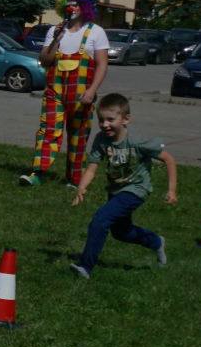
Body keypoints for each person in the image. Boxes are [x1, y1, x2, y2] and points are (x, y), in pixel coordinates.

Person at [70, 93, 176, 279]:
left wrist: (172, 190)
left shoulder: (136, 140)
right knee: (121, 232)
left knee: (100, 220)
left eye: (110, 119)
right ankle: (156, 242)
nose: (105, 124)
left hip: (136, 189)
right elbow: (92, 167)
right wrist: (81, 187)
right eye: (101, 120)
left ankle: (85, 267)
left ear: (126, 119)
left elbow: (169, 159)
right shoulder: (101, 139)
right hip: (116, 190)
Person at [21, 0, 110, 187]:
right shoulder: (55, 30)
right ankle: (38, 173)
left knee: (78, 135)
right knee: (48, 130)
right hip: (55, 92)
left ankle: (74, 179)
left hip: (81, 94)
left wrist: (92, 90)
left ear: (85, 6)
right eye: (69, 2)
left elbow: (102, 65)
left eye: (77, 2)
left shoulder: (96, 32)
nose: (72, 6)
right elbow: (45, 61)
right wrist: (57, 39)